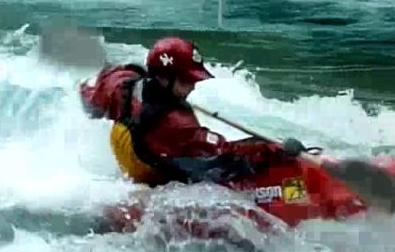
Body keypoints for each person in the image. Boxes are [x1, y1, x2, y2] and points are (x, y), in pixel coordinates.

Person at [78, 36, 305, 187]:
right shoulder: (176, 124)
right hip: (163, 178)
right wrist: (276, 148)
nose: (193, 85)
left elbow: (94, 96)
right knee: (232, 166)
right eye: (187, 79)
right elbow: (226, 151)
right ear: (164, 78)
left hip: (144, 161)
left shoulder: (124, 87)